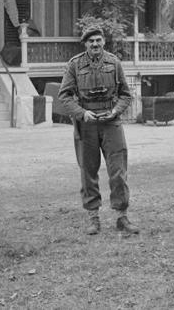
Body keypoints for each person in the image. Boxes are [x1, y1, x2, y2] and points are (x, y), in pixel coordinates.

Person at [58, 26, 139, 235]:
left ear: (104, 41)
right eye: (90, 41)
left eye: (98, 40)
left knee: (118, 171)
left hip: (111, 122)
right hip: (87, 124)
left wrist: (115, 110)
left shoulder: (114, 62)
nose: (95, 44)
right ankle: (93, 218)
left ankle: (122, 217)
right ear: (85, 43)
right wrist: (82, 113)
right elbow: (64, 96)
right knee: (88, 171)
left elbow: (126, 95)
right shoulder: (75, 65)